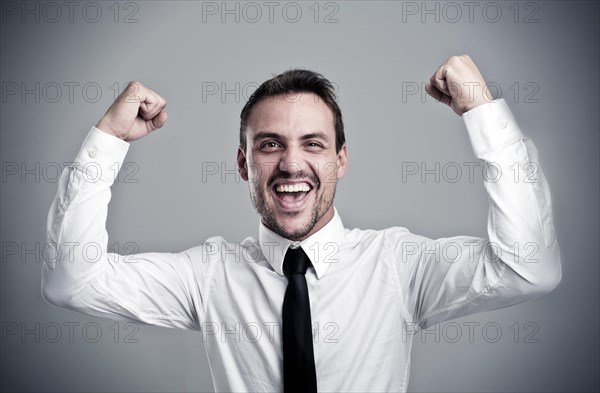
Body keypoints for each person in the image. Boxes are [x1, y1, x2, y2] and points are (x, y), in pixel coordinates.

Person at [42, 55, 562, 392]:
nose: (292, 165)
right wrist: (107, 140)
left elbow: (529, 268)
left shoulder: (398, 265)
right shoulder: (208, 275)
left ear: (340, 160)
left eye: (313, 143)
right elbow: (74, 281)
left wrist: (483, 113)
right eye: (270, 145)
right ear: (244, 164)